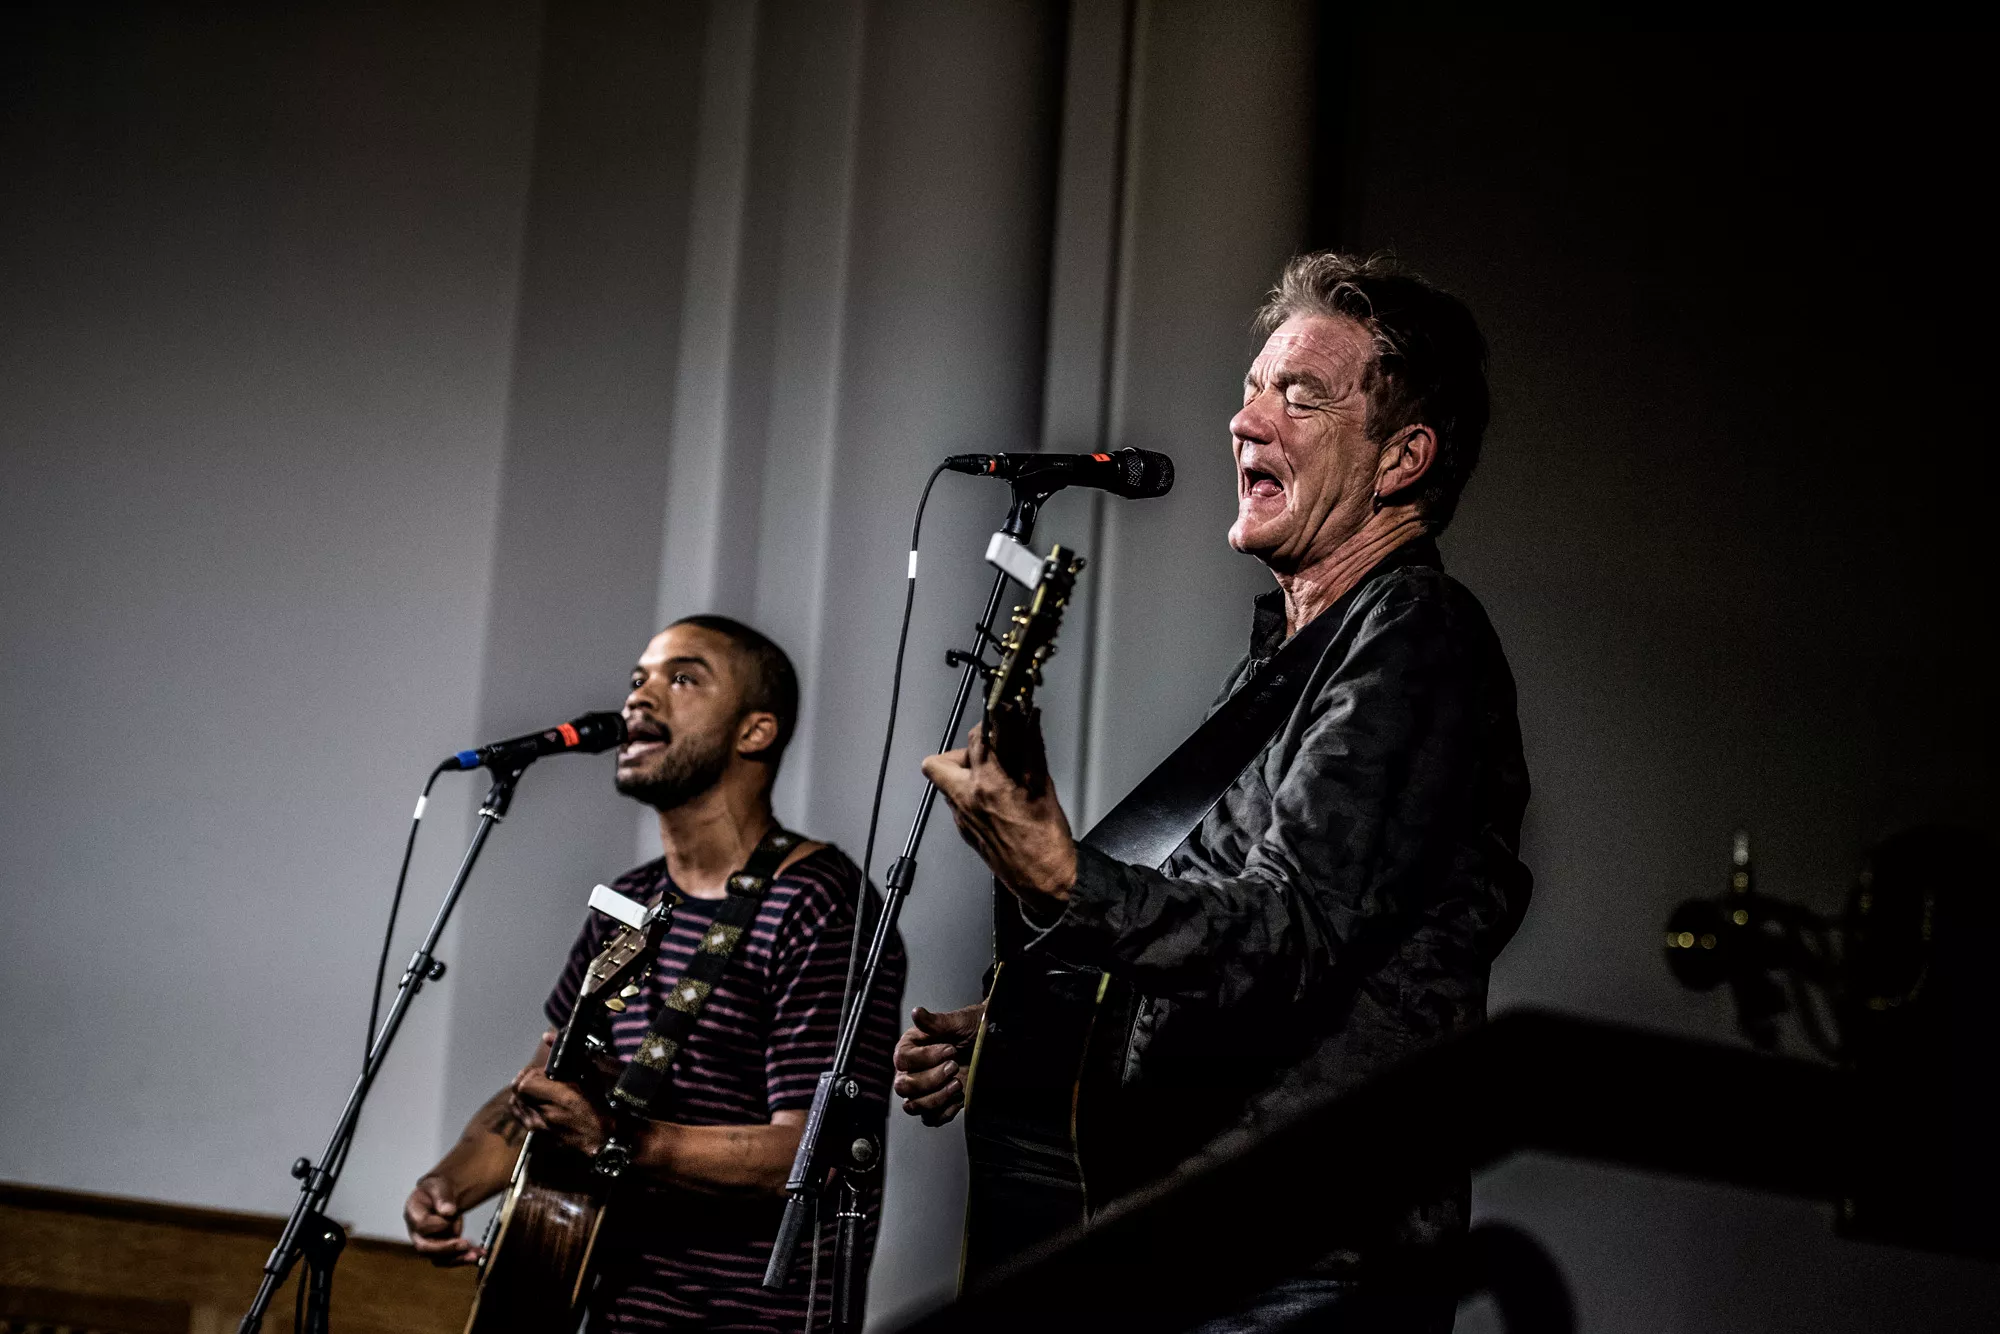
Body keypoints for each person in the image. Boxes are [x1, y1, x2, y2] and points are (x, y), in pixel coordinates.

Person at [896, 252, 1531, 1330]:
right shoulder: (1286, 662)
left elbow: (1288, 933)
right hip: (1206, 1254)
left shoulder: (1417, 634)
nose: (1244, 421)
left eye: (1300, 396)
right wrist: (1040, 1026)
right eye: (1250, 388)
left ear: (1401, 456)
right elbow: (1218, 949)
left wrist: (1061, 877)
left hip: (1307, 1255)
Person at [406, 615, 905, 1332]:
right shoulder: (630, 903)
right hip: (608, 1311)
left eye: (683, 678)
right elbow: (548, 1086)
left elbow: (814, 1151)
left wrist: (620, 1140)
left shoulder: (821, 904)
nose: (639, 696)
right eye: (638, 678)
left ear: (755, 731)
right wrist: (447, 1184)